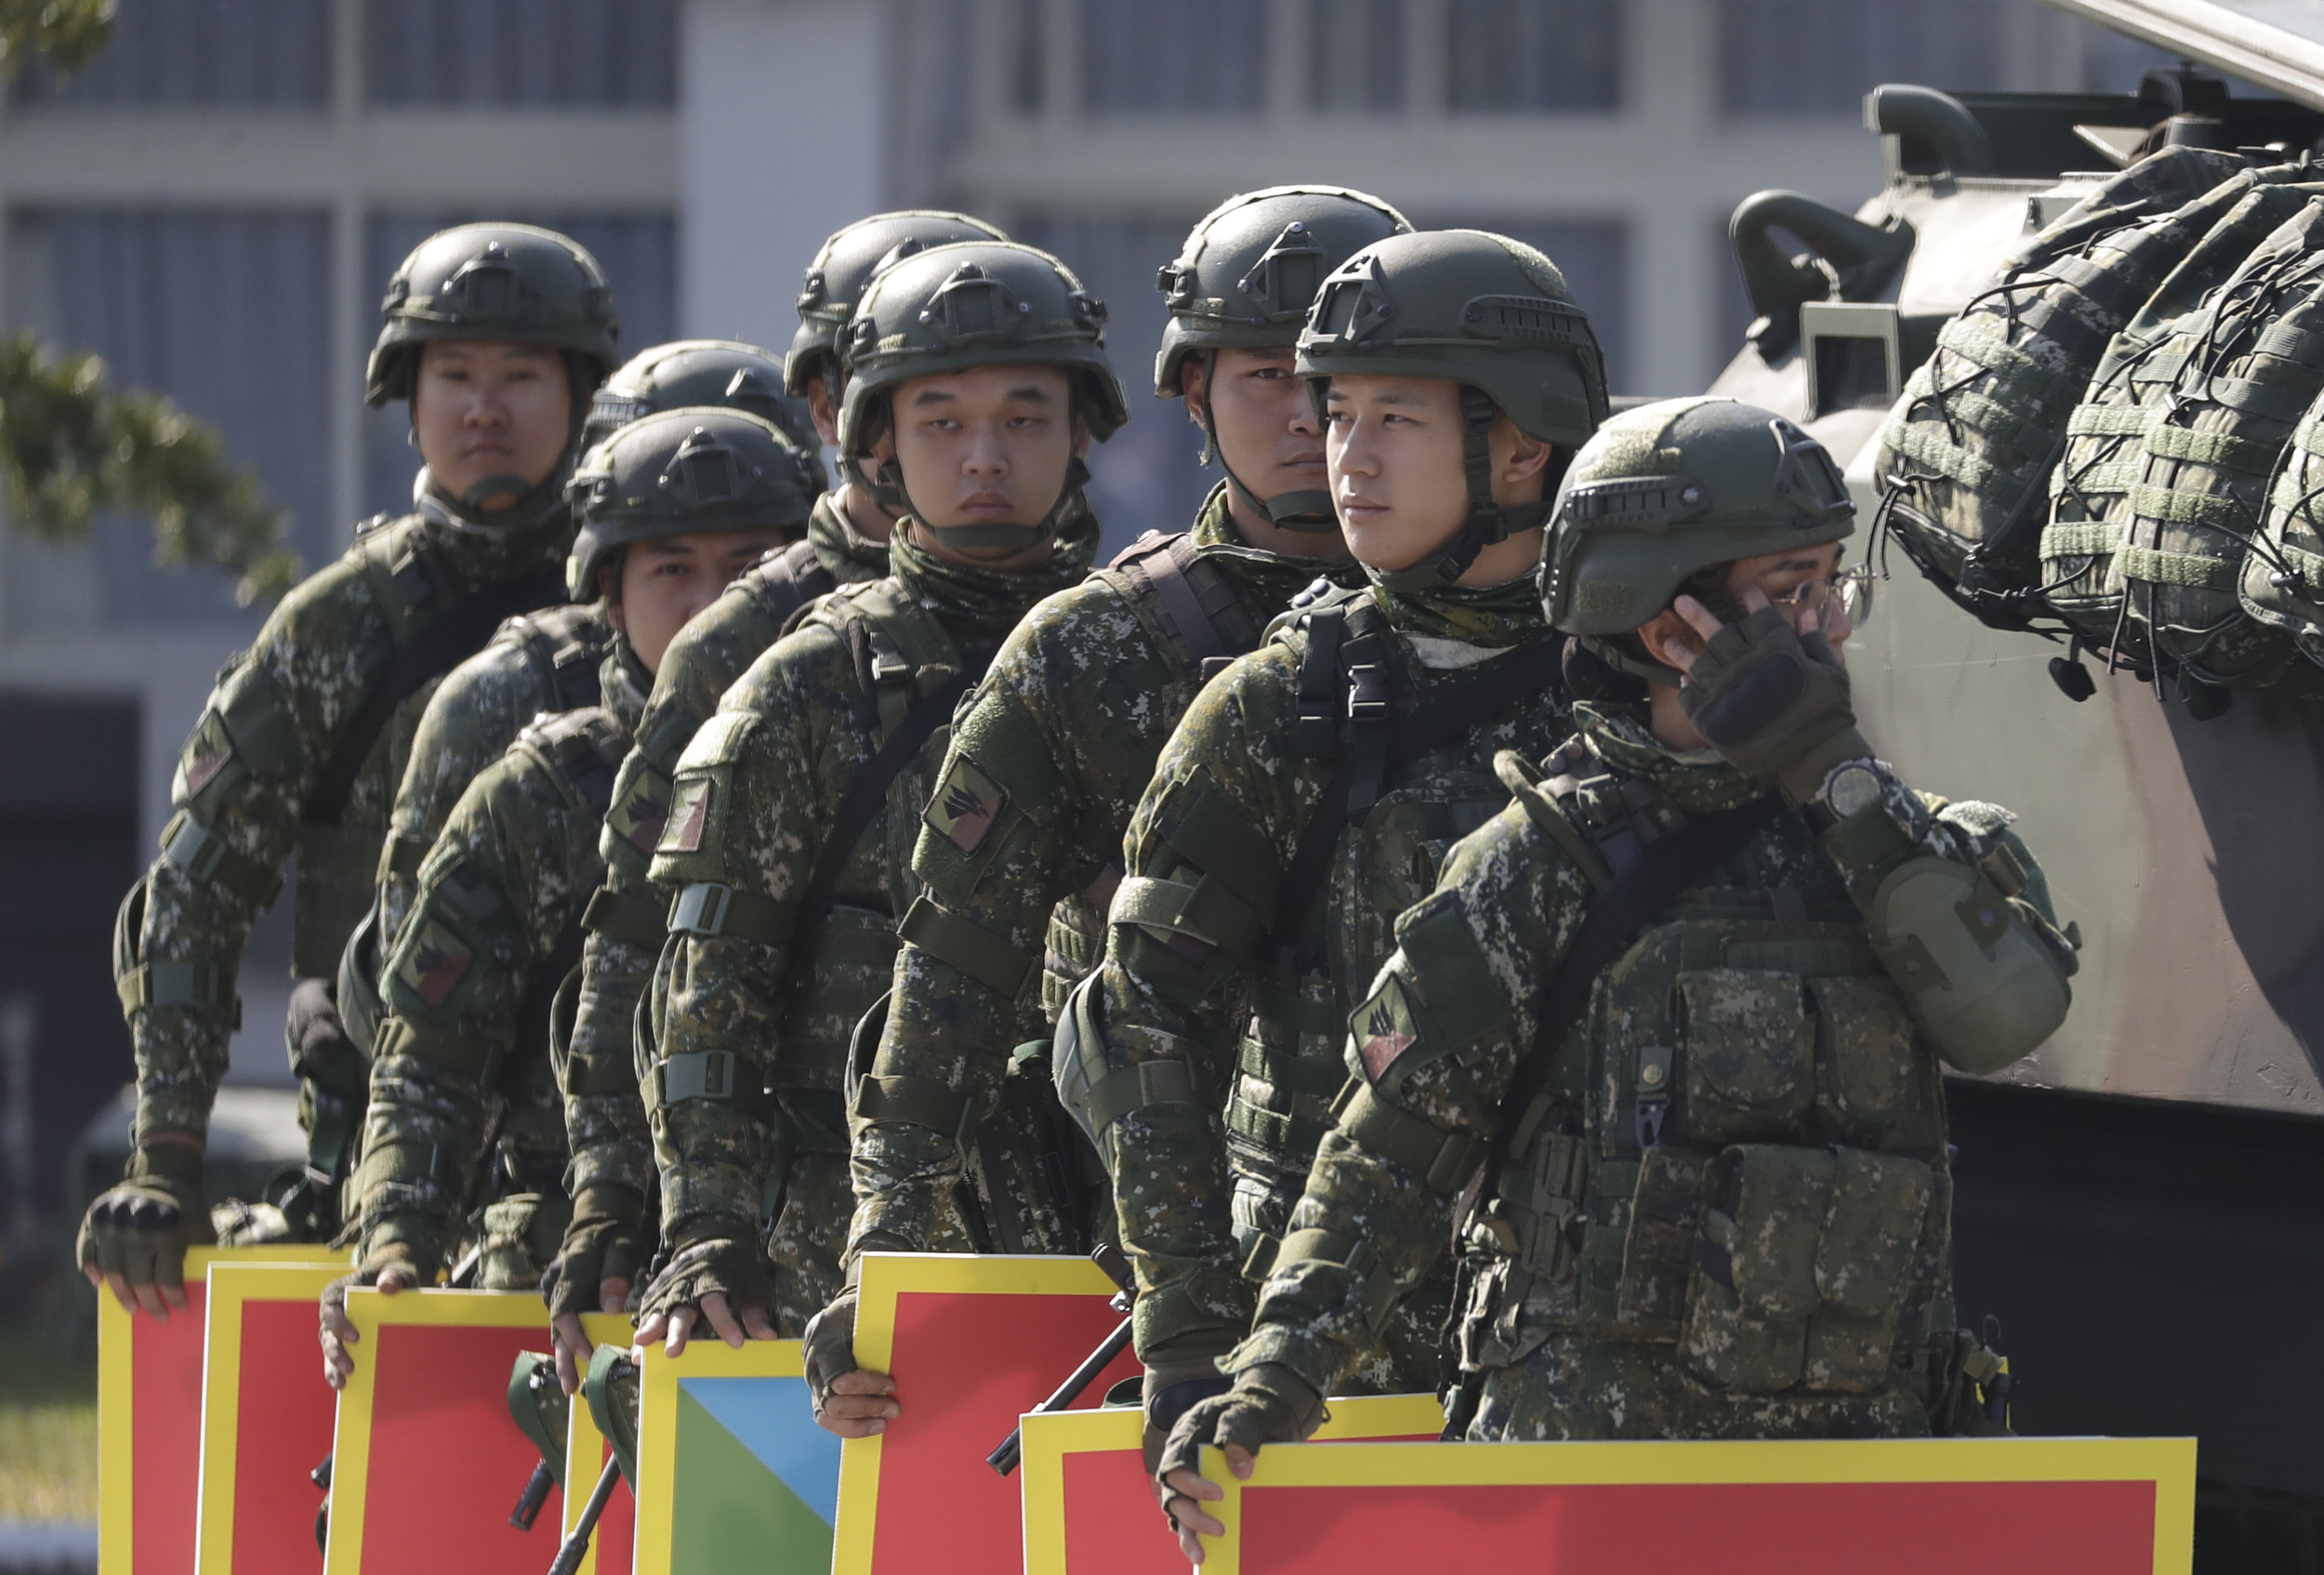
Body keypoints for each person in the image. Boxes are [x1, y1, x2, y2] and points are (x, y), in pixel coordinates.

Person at [1156, 396, 2080, 1561]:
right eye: (1791, 592)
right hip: (1585, 1486)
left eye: (1831, 586)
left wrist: (1830, 771)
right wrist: (1273, 1380)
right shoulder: (1533, 864)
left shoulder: (1911, 850)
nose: (1828, 626)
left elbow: (2004, 1017)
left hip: (1853, 1479)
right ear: (1670, 626)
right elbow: (1386, 1154)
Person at [811, 186, 1408, 1444]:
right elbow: (952, 978)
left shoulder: (1529, 644)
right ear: (1193, 396)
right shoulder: (1094, 650)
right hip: (1144, 1268)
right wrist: (886, 1255)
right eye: (1265, 375)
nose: (1310, 418)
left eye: (1346, 379)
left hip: (1432, 1275)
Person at [1052, 228, 1608, 1465]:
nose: (1345, 459)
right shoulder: (1276, 708)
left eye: (1393, 420)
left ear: (1523, 440)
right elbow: (1138, 1032)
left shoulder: (1638, 695)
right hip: (1322, 1396)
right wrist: (1192, 1338)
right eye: (1336, 411)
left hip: (1575, 1387)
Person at [79, 223, 621, 1317]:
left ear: (578, 394)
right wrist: (167, 1153)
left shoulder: (644, 588)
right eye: (455, 376)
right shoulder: (339, 628)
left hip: (608, 1153)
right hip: (381, 1151)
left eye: (520, 375)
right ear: (407, 397)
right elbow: (195, 884)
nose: (485, 408)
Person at [629, 240, 1121, 1363]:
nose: (985, 455)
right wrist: (706, 1220)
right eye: (942, 421)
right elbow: (709, 980)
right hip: (836, 1267)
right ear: (879, 445)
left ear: (1081, 432)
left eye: (1026, 418)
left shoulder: (1147, 664)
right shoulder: (808, 682)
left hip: (1102, 1254)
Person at [544, 211, 1006, 1386]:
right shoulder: (747, 641)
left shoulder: (1083, 626)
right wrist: (632, 1197)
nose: (962, 440)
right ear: (831, 405)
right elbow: (651, 945)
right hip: (797, 1205)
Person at [318, 407, 817, 1387]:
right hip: (569, 1240)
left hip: (804, 1234)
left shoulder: (850, 755)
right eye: (671, 570)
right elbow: (429, 1051)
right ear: (607, 592)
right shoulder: (544, 792)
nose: (713, 604)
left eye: (750, 567)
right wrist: (395, 1241)